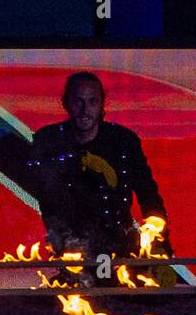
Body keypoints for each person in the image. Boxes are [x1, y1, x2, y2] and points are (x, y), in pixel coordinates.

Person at [22, 72, 171, 275]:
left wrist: (160, 241)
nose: (85, 110)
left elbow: (148, 194)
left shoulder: (123, 141)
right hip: (70, 246)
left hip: (120, 244)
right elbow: (44, 196)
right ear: (66, 103)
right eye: (78, 101)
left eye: (92, 101)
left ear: (102, 104)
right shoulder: (49, 141)